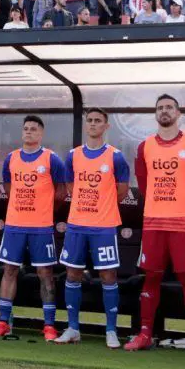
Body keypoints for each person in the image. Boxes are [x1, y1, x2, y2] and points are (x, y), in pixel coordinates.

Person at [124, 95, 185, 357]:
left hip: (183, 221)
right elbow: (143, 183)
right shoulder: (144, 146)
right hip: (154, 221)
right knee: (151, 277)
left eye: (169, 107)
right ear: (155, 114)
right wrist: (159, 204)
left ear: (178, 113)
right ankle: (144, 334)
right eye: (160, 108)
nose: (164, 111)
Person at [54, 108, 129, 348]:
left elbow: (122, 190)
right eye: (91, 121)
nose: (94, 124)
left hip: (104, 226)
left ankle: (110, 331)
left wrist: (102, 206)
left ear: (106, 126)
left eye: (99, 121)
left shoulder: (115, 157)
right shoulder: (73, 155)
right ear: (86, 126)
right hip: (77, 225)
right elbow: (69, 185)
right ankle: (73, 328)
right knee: (72, 273)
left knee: (108, 275)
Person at [0, 115, 66, 341]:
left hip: (41, 227)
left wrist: (42, 210)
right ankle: (3, 322)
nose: (29, 132)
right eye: (26, 129)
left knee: (45, 273)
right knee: (10, 269)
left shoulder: (52, 159)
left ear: (41, 134)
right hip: (15, 225)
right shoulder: (12, 158)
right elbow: (10, 187)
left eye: (33, 129)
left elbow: (61, 192)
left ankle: (49, 325)